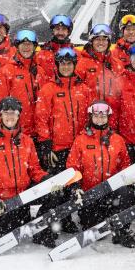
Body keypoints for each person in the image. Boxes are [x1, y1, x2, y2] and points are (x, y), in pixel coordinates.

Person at [0, 97, 53, 246]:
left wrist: (45, 179)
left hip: (23, 196)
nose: (10, 116)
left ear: (18, 115)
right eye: (6, 112)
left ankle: (42, 234)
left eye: (14, 112)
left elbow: (34, 169)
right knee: (2, 233)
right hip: (2, 200)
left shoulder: (27, 141)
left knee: (54, 195)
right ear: (0, 115)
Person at [66, 101, 135, 248]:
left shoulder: (117, 140)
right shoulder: (80, 140)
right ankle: (94, 219)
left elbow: (125, 165)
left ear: (108, 117)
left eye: (103, 115)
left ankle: (121, 231)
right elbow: (72, 167)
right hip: (91, 194)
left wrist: (128, 183)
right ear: (91, 117)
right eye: (96, 115)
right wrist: (75, 187)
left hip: (112, 192)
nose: (100, 118)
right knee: (95, 231)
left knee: (127, 193)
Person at [34, 47, 95, 177]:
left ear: (74, 65)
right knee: (60, 186)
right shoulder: (48, 89)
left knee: (79, 183)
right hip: (58, 149)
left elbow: (90, 118)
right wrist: (46, 144)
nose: (66, 67)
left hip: (80, 147)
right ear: (57, 65)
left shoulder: (84, 89)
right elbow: (41, 118)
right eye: (62, 64)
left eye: (69, 64)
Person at [0, 29, 40, 132]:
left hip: (37, 132)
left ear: (34, 47)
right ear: (17, 47)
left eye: (29, 44)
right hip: (15, 130)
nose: (26, 47)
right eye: (23, 44)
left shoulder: (40, 71)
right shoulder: (7, 71)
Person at [77, 23, 122, 111]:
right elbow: (77, 92)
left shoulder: (117, 64)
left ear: (108, 42)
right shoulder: (82, 64)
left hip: (112, 113)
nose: (101, 43)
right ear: (92, 41)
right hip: (92, 113)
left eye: (104, 39)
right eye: (97, 39)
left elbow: (121, 91)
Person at [34, 14, 75, 82]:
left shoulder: (76, 55)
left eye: (64, 29)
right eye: (57, 29)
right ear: (52, 31)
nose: (60, 32)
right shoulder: (41, 55)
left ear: (68, 31)